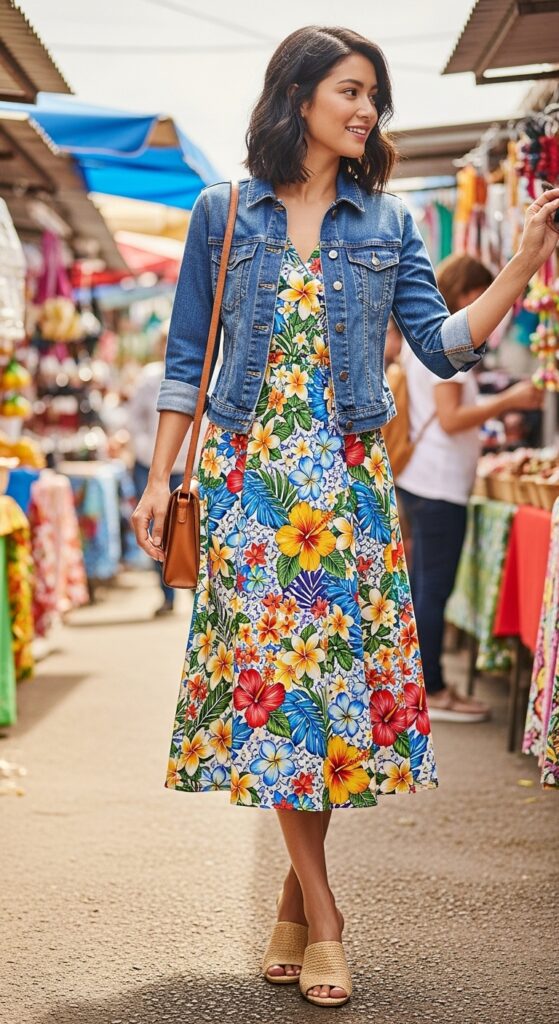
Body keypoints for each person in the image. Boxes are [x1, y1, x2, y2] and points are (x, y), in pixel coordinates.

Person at [131, 25, 559, 1009]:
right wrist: (160, 479)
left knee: (327, 710)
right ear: (297, 98)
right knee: (282, 699)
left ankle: (292, 900)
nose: (367, 110)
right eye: (351, 91)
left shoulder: (391, 223)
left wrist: (525, 258)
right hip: (247, 488)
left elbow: (442, 347)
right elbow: (184, 358)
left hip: (349, 492)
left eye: (374, 95)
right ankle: (325, 917)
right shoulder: (222, 212)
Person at [396, 253, 544, 723]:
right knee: (431, 589)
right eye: (480, 294)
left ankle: (423, 683)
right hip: (438, 484)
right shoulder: (444, 342)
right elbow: (451, 417)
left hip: (426, 478)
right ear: (463, 295)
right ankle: (433, 689)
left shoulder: (424, 338)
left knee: (424, 586)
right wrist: (509, 399)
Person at [127, 320, 189, 615]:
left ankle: (191, 589)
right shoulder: (149, 378)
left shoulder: (204, 376)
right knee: (156, 531)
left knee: (189, 532)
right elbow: (134, 420)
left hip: (186, 469)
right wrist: (146, 454)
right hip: (151, 466)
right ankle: (166, 593)